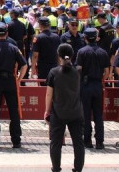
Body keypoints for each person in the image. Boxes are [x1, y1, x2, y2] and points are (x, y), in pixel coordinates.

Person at [45, 43, 84, 172]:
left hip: (58, 112)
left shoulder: (54, 72)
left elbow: (49, 93)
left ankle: (56, 168)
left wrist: (47, 111)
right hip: (76, 112)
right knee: (78, 143)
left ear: (58, 55)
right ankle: (78, 168)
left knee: (56, 143)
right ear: (72, 55)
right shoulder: (78, 71)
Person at [75, 27, 110, 149]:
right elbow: (107, 71)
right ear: (96, 38)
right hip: (98, 85)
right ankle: (100, 141)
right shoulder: (103, 52)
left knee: (85, 114)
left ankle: (87, 140)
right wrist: (102, 79)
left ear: (85, 38)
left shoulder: (82, 52)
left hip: (85, 85)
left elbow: (78, 69)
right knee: (98, 114)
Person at [33, 17, 60, 82]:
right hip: (54, 65)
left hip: (43, 66)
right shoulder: (56, 37)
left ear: (40, 25)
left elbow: (35, 55)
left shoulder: (38, 37)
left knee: (43, 86)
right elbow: (59, 53)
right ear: (49, 25)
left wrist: (33, 68)